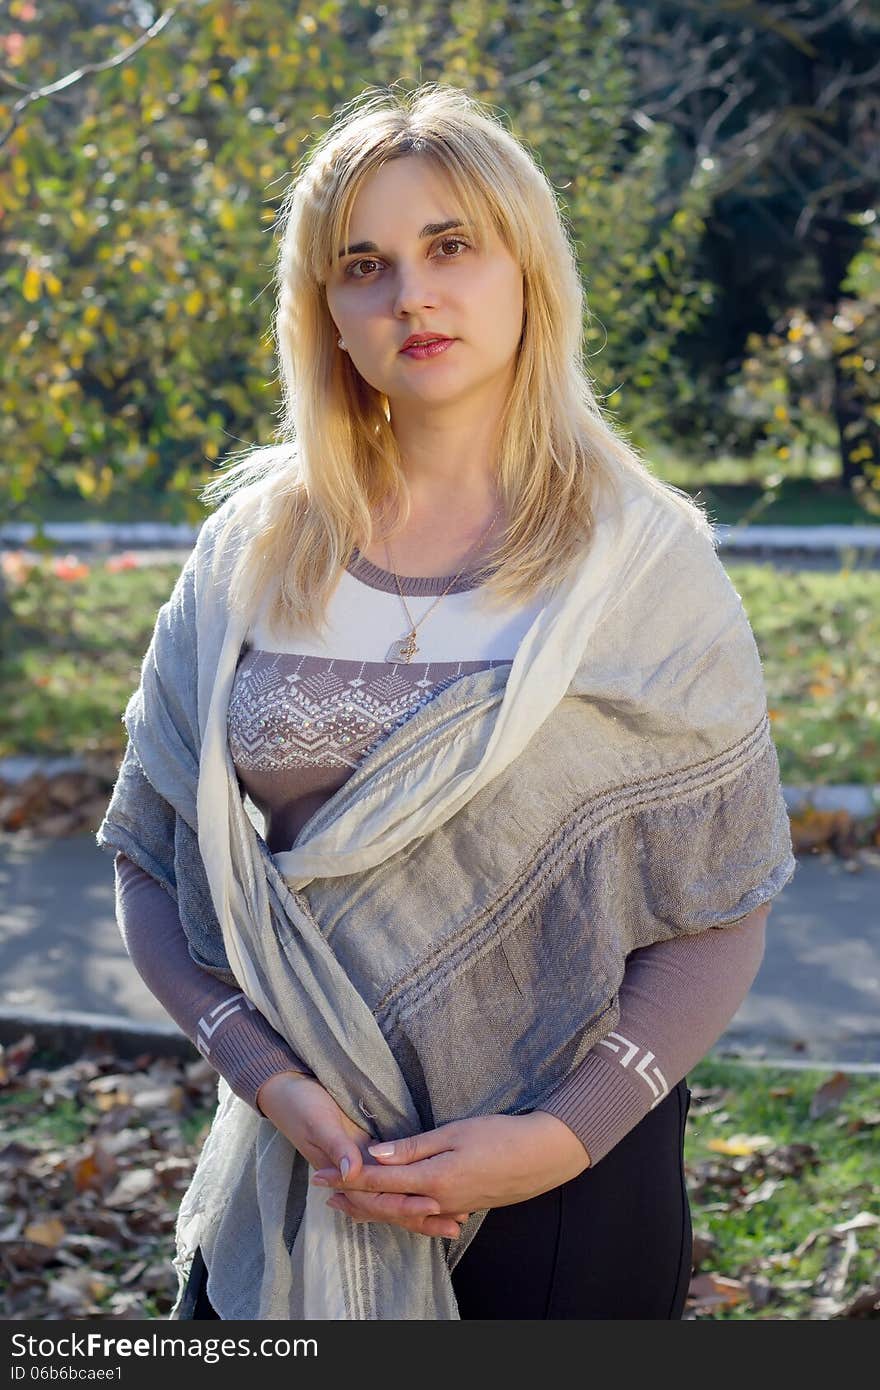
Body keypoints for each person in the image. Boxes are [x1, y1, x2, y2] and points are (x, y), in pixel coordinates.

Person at [99, 83, 795, 1321]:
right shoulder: (249, 553)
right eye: (362, 264)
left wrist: (566, 1134)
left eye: (450, 246)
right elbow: (150, 856)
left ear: (528, 265)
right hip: (300, 1162)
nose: (409, 294)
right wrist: (260, 1071)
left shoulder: (643, 566)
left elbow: (720, 900)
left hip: (568, 1187)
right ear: (324, 311)